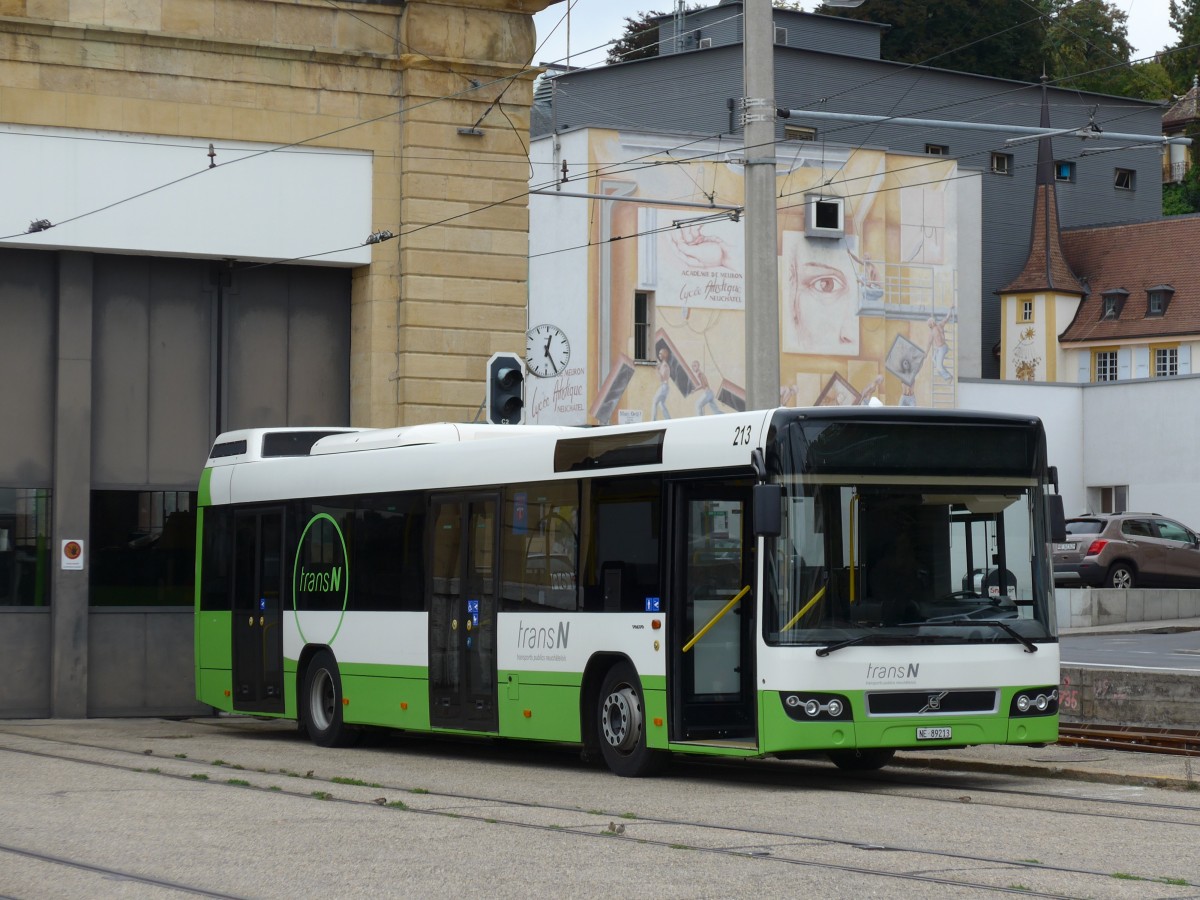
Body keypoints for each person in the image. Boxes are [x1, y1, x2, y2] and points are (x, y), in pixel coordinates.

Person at [926, 306, 955, 381]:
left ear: (932, 323)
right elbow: (947, 317)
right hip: (941, 348)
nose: (928, 325)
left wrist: (926, 353)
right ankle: (942, 373)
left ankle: (948, 377)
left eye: (929, 323)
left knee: (939, 366)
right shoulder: (940, 325)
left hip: (942, 349)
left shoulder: (933, 332)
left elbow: (929, 344)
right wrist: (950, 309)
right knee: (933, 359)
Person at [652, 346, 672, 420]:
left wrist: (657, 370)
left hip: (664, 387)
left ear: (664, 355)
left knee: (654, 402)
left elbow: (661, 378)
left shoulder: (664, 366)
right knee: (661, 404)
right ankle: (668, 419)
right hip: (665, 387)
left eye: (660, 354)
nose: (659, 355)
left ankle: (653, 420)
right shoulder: (663, 365)